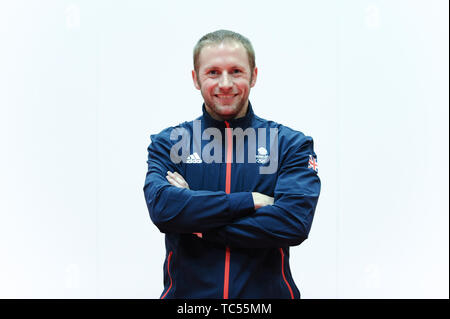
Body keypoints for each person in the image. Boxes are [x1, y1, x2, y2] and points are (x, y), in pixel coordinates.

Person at [143, 30, 321, 299]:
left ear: (254, 75)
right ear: (195, 78)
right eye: (213, 72)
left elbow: (292, 223)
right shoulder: (170, 143)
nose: (225, 83)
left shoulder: (289, 144)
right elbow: (163, 209)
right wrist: (249, 201)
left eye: (236, 71)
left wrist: (197, 220)